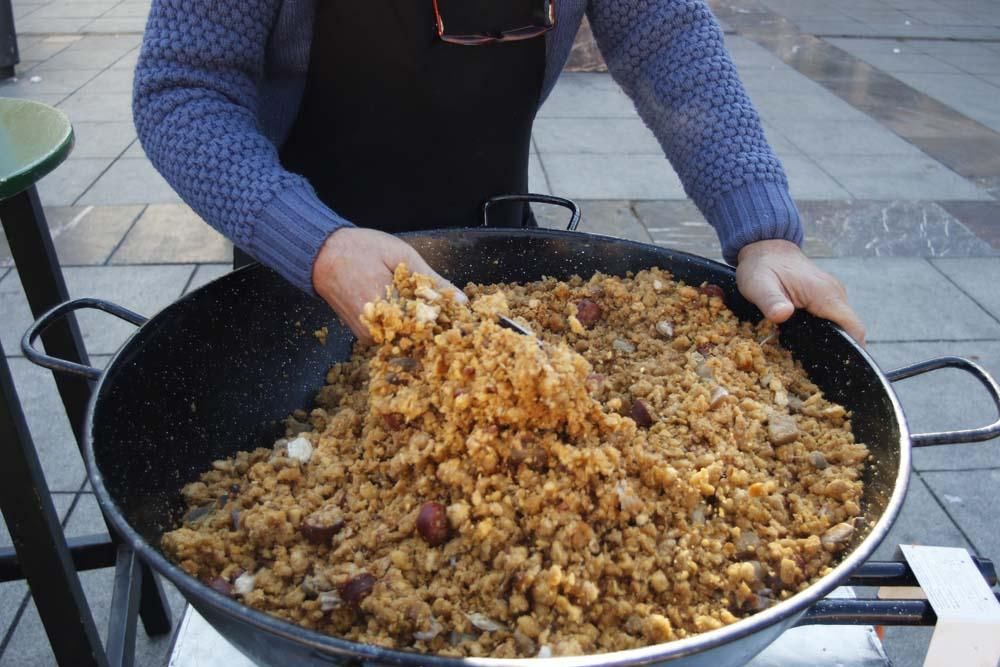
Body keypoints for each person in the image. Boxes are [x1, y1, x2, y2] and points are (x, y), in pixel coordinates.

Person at [133, 0, 865, 345]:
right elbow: (181, 89)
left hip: (497, 240)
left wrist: (765, 234)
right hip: (300, 267)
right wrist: (319, 244)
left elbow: (667, 39)